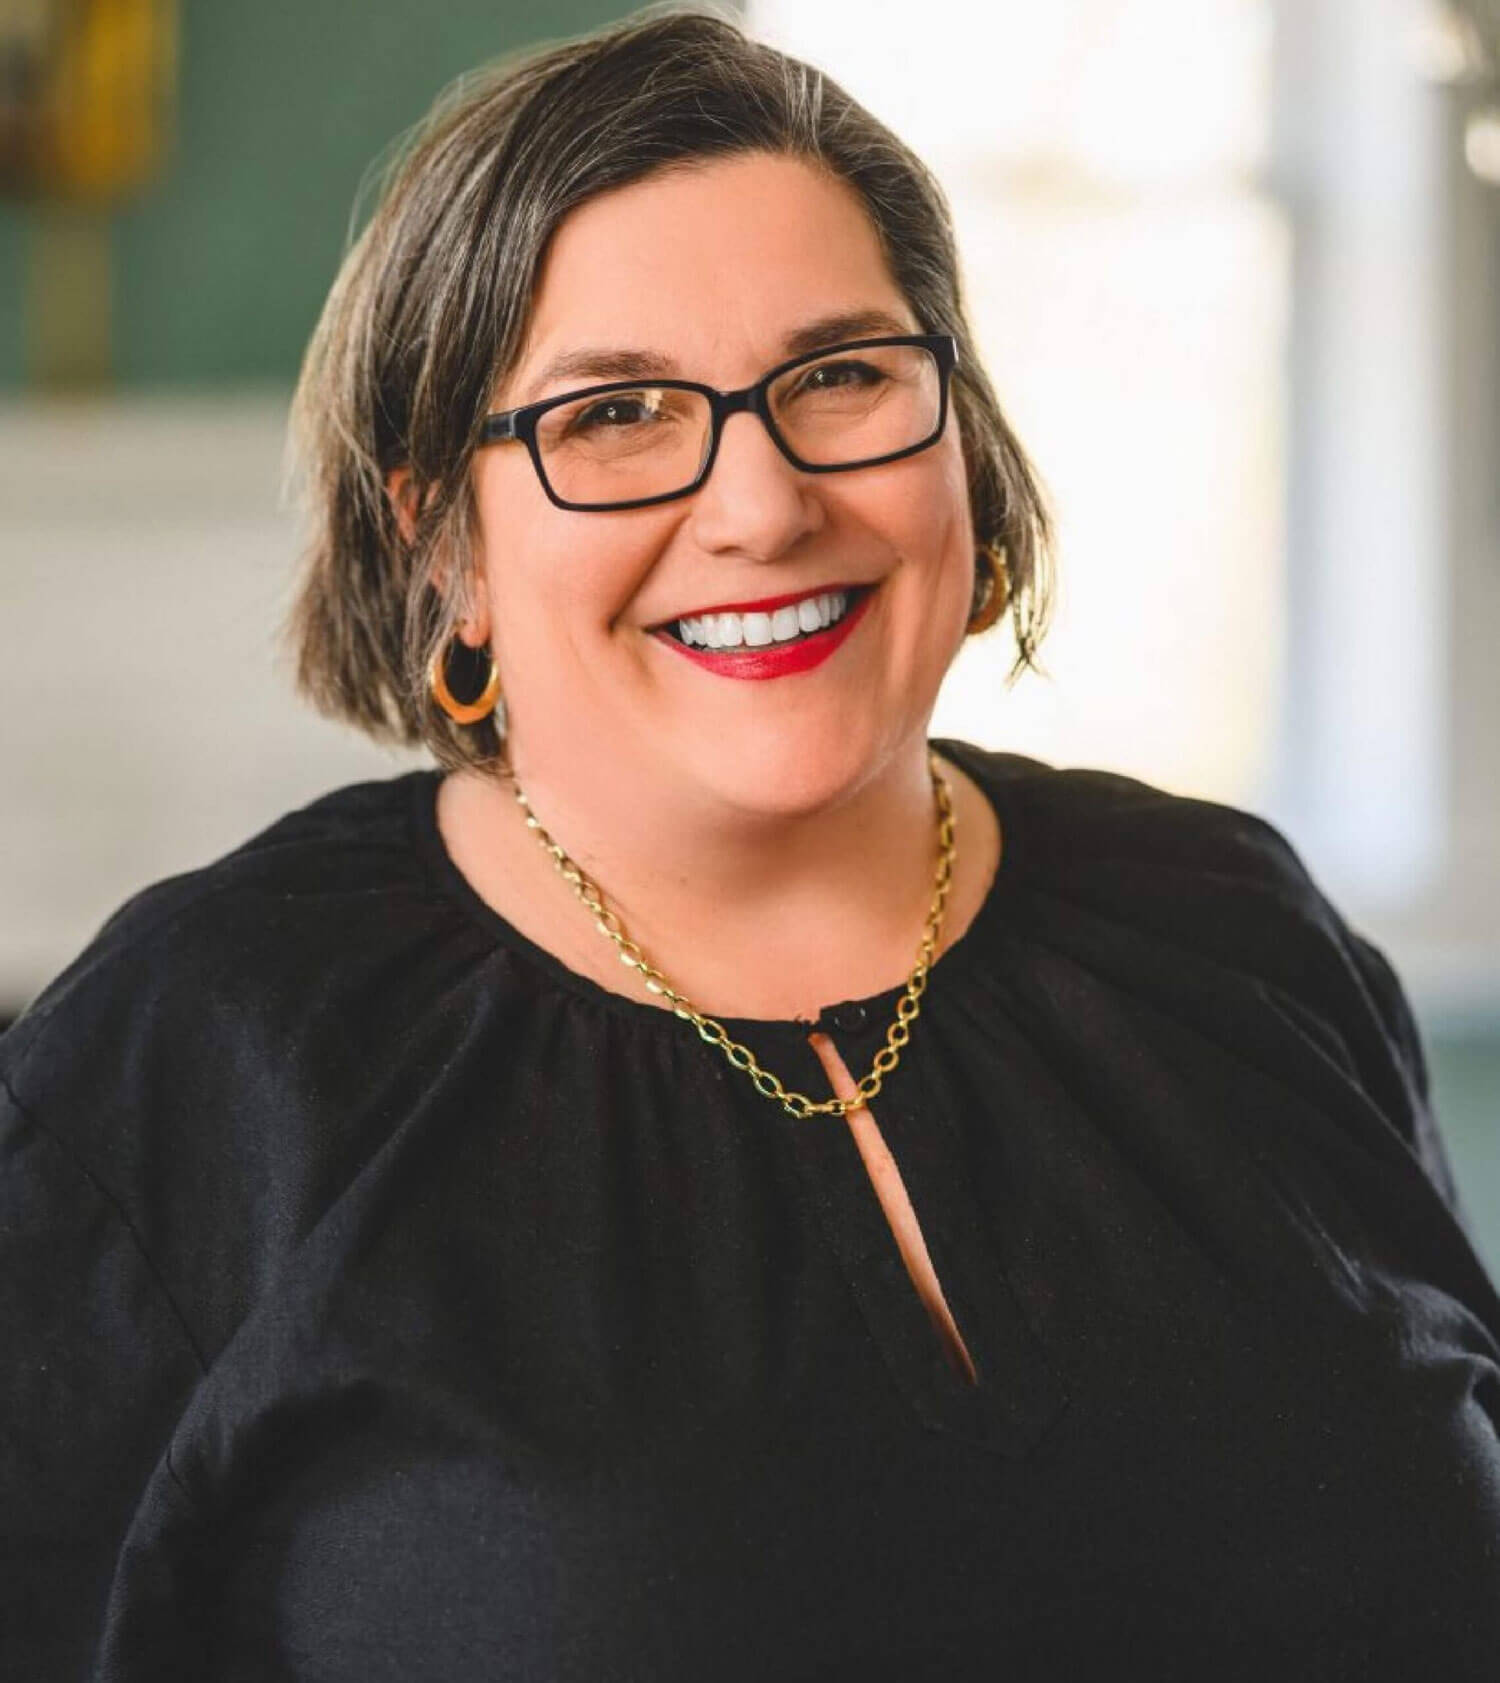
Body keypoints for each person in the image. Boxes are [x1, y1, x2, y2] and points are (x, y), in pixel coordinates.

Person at [4, 5, 1499, 1678]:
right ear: (444, 543)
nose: (763, 506)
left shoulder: (1242, 925)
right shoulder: (203, 1053)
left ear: (961, 433)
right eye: (616, 413)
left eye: (844, 376)